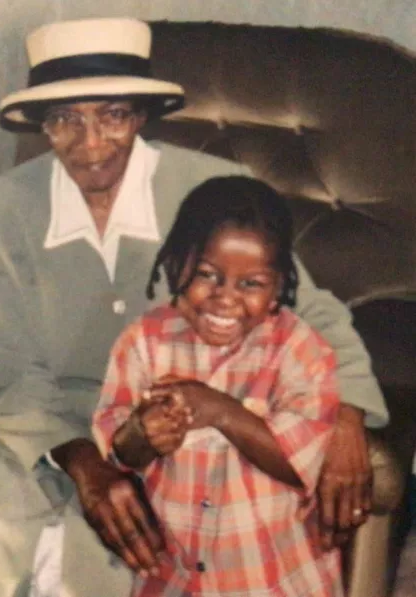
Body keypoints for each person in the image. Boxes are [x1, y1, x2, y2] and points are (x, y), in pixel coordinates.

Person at [0, 17, 387, 597]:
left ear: (140, 115)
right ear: (43, 125)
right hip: (39, 431)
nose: (89, 145)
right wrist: (87, 466)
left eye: (111, 115)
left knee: (114, 565)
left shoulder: (214, 187)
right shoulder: (4, 207)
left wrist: (347, 419)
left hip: (172, 437)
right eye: (65, 119)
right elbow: (8, 369)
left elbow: (311, 310)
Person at [92, 175, 344, 596]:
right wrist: (142, 433)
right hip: (173, 577)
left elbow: (300, 463)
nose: (225, 298)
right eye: (206, 274)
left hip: (272, 579)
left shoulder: (301, 350)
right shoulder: (143, 342)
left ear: (279, 287)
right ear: (177, 266)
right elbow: (119, 454)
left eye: (251, 284)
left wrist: (222, 412)